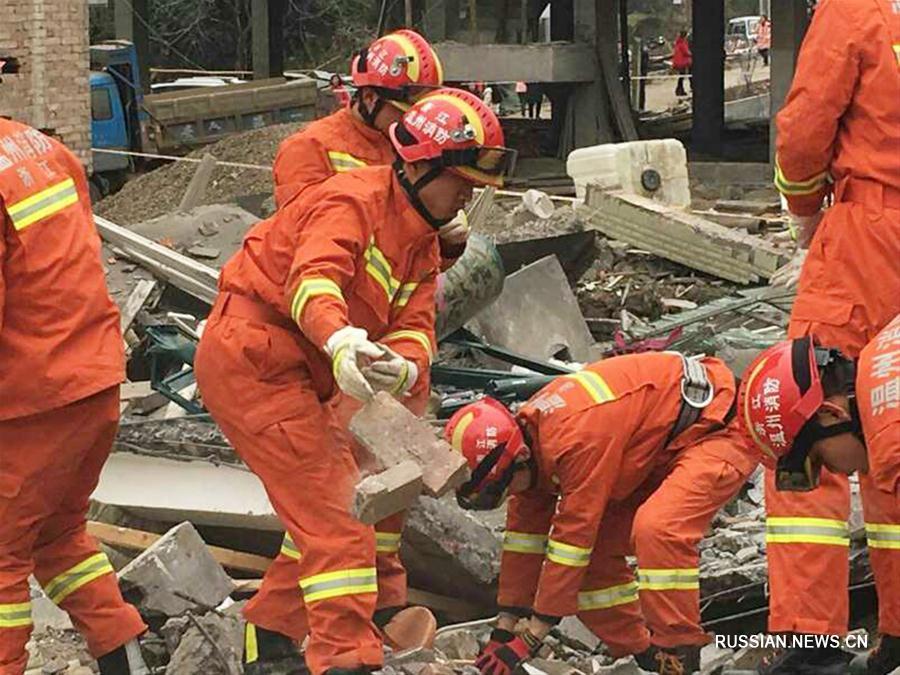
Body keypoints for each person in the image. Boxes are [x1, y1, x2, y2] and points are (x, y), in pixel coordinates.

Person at [194, 88, 514, 675]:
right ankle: (346, 659)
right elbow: (314, 278)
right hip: (255, 360)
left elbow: (416, 322)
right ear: (417, 165)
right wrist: (339, 336)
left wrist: (407, 363)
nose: (469, 196)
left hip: (303, 366)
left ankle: (268, 634)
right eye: (462, 181)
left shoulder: (422, 241)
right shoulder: (351, 200)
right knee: (337, 514)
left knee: (336, 506)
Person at [445, 351, 759, 675]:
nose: (510, 495)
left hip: (721, 425)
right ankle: (644, 653)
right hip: (660, 442)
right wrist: (504, 626)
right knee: (593, 561)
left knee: (658, 529)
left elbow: (573, 538)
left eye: (502, 488)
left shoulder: (576, 439)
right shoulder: (526, 444)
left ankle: (678, 651)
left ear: (519, 456)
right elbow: (523, 542)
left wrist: (532, 636)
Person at [764, 1, 900, 671]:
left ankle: (810, 636)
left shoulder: (857, 9)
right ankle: (897, 627)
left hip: (867, 235)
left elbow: (805, 127)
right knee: (893, 419)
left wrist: (802, 211)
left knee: (802, 416)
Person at [0, 76, 149, 674]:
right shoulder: (41, 149)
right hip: (91, 378)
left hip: (31, 398)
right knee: (58, 536)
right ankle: (124, 655)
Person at [738, 323, 899, 675]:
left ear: (831, 414)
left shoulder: (893, 444)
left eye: (819, 461)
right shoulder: (877, 357)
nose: (835, 471)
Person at [273, 30, 469, 270]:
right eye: (406, 110)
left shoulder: (409, 153)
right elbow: (301, 244)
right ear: (369, 98)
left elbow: (415, 271)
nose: (413, 120)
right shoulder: (308, 148)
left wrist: (448, 243)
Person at [672, 30, 692, 97]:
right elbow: (686, 52)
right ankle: (679, 90)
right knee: (682, 76)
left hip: (678, 61)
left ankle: (680, 89)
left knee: (681, 76)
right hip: (682, 62)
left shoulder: (678, 42)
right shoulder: (682, 43)